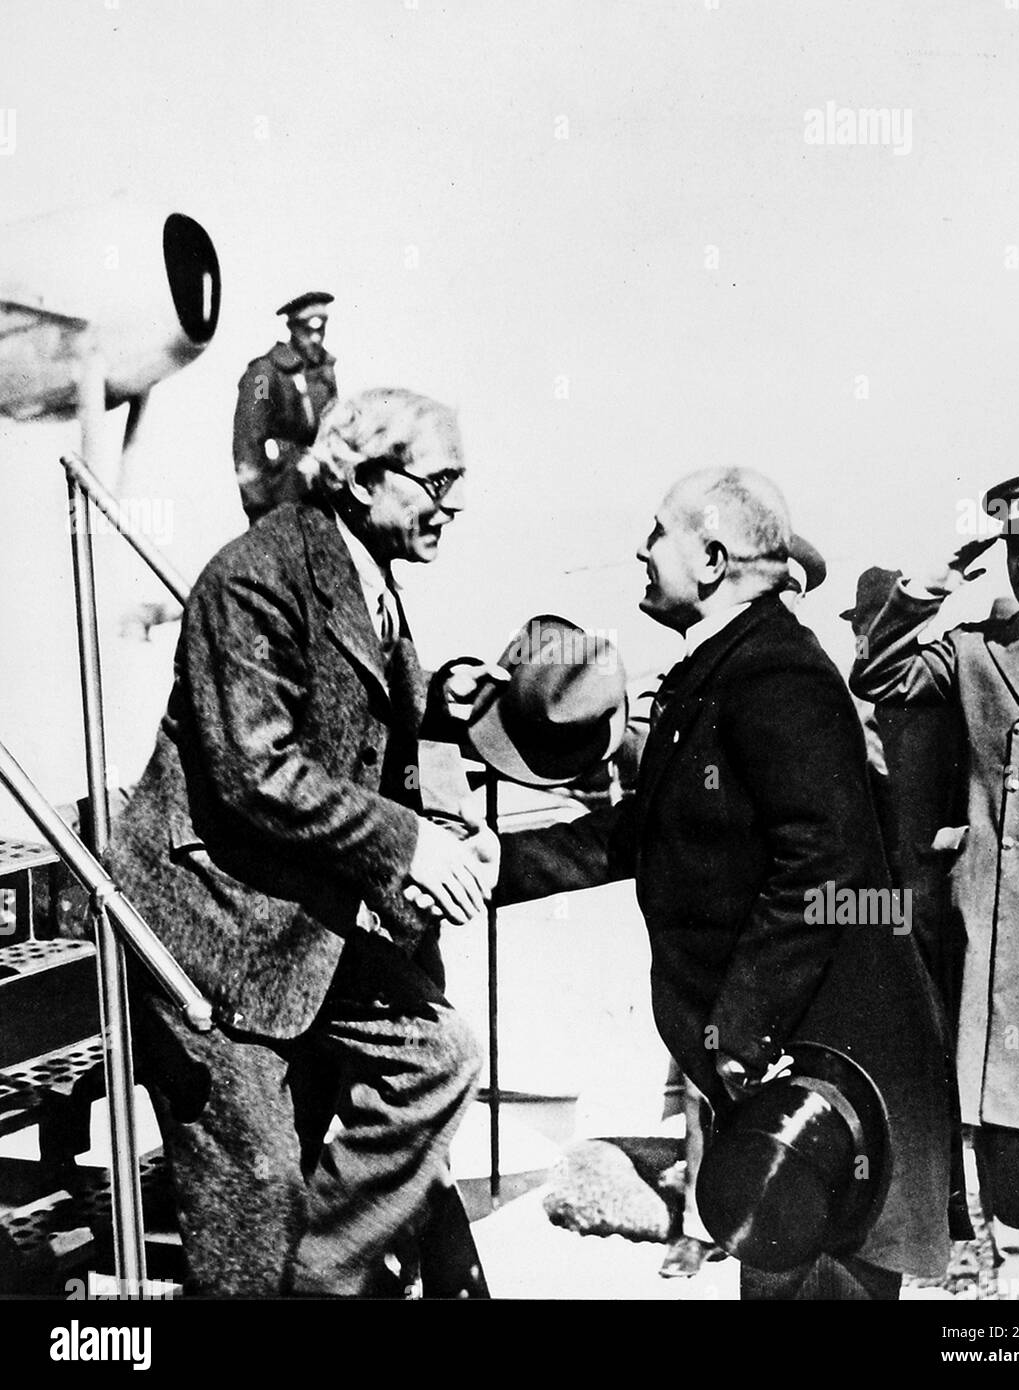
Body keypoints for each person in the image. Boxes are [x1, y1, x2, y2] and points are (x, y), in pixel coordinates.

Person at [491, 467, 952, 1299]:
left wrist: (738, 1032)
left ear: (709, 559)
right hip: (790, 1065)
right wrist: (495, 862)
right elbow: (649, 832)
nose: (640, 548)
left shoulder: (779, 676)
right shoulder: (720, 669)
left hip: (836, 1077)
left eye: (656, 530)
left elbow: (826, 868)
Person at [106, 387, 501, 1297]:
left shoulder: (368, 578)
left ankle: (318, 1281)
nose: (456, 504)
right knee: (252, 1201)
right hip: (211, 933)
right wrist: (409, 847)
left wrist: (443, 774)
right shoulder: (256, 574)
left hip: (298, 920)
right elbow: (258, 771)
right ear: (364, 480)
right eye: (439, 480)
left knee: (435, 1057)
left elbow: (347, 722)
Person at [851, 471, 1019, 1300]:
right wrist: (936, 575)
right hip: (1003, 952)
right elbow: (879, 675)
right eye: (1013, 545)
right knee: (1016, 1217)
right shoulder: (975, 651)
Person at [232, 291, 339, 524]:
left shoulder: (323, 372)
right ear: (293, 328)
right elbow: (248, 441)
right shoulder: (264, 375)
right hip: (282, 491)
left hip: (321, 491)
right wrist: (259, 509)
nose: (316, 338)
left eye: (320, 330)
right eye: (307, 331)